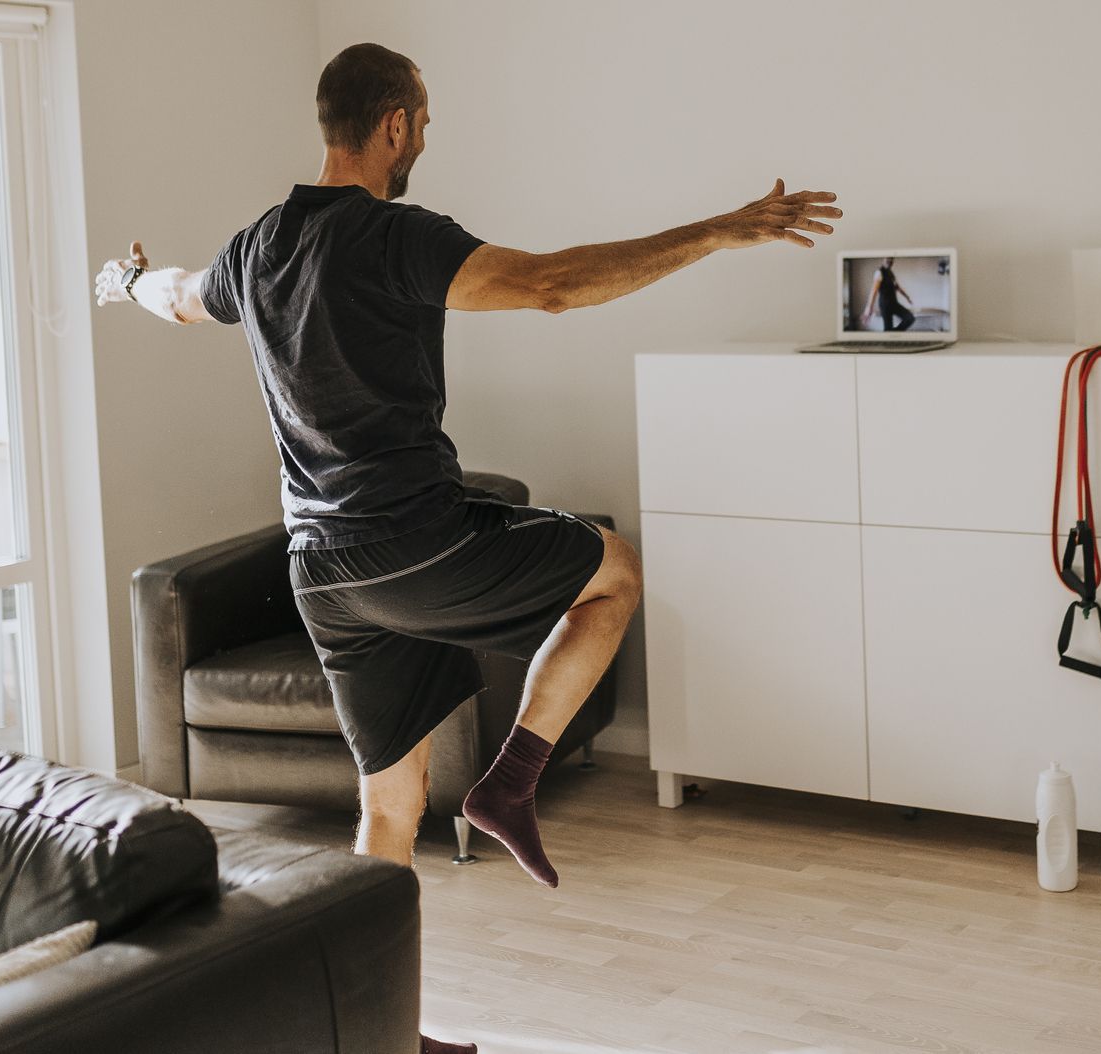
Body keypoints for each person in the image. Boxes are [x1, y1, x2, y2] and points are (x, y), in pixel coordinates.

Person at [95, 42, 838, 1054]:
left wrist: (124, 279)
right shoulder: (396, 237)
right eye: (425, 121)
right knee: (613, 570)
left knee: (389, 808)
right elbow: (550, 287)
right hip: (410, 544)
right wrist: (713, 231)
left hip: (319, 574)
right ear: (393, 125)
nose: (426, 137)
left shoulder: (255, 248)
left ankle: (376, 1033)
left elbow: (178, 294)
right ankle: (511, 779)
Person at [860, 255, 914, 331]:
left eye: (891, 259)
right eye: (888, 258)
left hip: (894, 303)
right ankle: (890, 336)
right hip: (885, 305)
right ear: (883, 259)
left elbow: (898, 287)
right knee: (888, 328)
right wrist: (869, 307)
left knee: (909, 318)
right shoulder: (879, 272)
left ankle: (892, 334)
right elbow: (874, 290)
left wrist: (907, 297)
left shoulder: (891, 274)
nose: (890, 260)